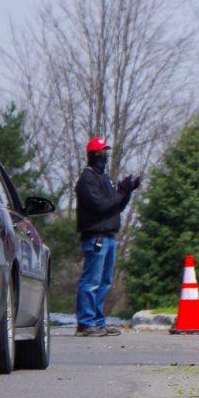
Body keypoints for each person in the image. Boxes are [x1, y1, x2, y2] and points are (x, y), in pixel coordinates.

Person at [75, 137, 140, 337]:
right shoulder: (87, 179)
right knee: (92, 281)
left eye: (106, 153)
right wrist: (121, 191)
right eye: (101, 153)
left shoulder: (104, 178)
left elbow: (116, 205)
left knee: (104, 282)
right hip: (96, 237)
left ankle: (98, 322)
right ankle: (86, 323)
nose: (104, 157)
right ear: (92, 155)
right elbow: (101, 205)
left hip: (109, 237)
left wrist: (127, 192)